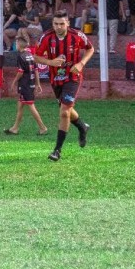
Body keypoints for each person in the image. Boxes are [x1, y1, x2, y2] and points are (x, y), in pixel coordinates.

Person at [34, 11, 93, 161]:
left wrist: (81, 63)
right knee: (67, 109)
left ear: (68, 23)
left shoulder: (77, 35)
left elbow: (90, 49)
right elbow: (35, 56)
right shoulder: (46, 37)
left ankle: (57, 150)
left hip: (73, 77)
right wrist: (50, 62)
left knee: (64, 112)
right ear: (52, 24)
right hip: (56, 80)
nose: (59, 27)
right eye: (56, 24)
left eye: (62, 23)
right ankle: (82, 127)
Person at [5, 35, 48, 135]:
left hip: (25, 85)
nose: (15, 45)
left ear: (19, 45)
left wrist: (14, 82)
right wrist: (37, 84)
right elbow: (36, 70)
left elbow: (20, 72)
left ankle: (43, 127)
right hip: (31, 84)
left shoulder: (21, 56)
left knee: (31, 105)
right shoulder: (30, 55)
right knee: (20, 105)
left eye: (16, 44)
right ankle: (15, 128)